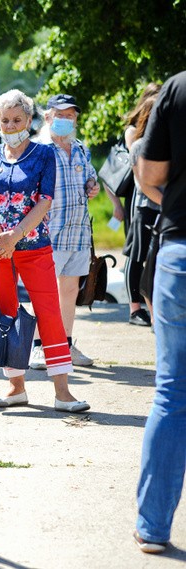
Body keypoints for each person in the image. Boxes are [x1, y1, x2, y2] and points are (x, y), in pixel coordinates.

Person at [0, 89, 90, 413]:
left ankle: (63, 392)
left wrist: (16, 235)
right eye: (5, 120)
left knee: (49, 312)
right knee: (5, 313)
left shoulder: (43, 155)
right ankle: (16, 387)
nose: (11, 126)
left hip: (34, 245)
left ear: (29, 119)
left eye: (17, 119)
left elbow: (45, 200)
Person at [134, 69, 186, 555]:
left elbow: (147, 176)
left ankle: (153, 527)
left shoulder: (178, 87)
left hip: (181, 249)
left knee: (173, 392)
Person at [28, 94, 99, 370]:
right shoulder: (39, 149)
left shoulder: (80, 149)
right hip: (49, 230)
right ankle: (38, 346)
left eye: (70, 115)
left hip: (78, 230)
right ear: (48, 117)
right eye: (60, 115)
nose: (66, 120)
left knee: (69, 290)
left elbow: (90, 176)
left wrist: (92, 185)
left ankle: (65, 344)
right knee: (44, 291)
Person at [122, 83, 162, 325]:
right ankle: (135, 309)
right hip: (144, 205)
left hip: (161, 207)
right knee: (137, 256)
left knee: (156, 259)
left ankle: (156, 312)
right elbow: (142, 181)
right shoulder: (136, 139)